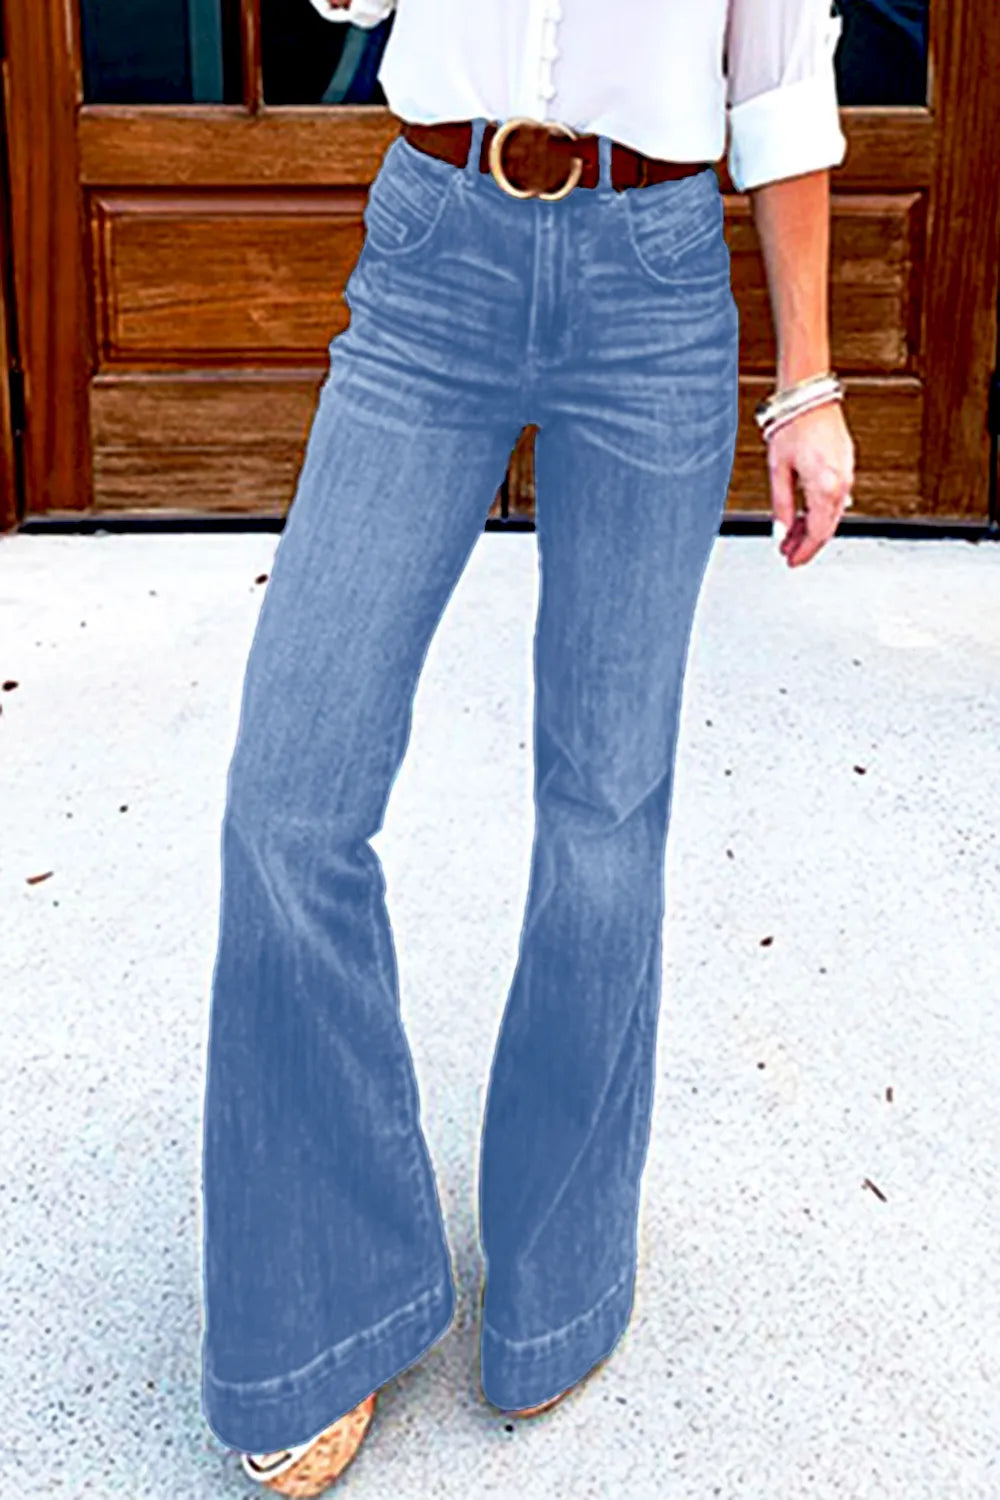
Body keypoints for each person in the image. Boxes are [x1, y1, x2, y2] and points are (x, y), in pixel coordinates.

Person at [199, 0, 856, 1493]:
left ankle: (563, 1273)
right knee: (287, 798)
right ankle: (321, 1295)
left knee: (603, 813)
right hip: (435, 249)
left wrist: (807, 380)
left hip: (654, 276)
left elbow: (782, 75)